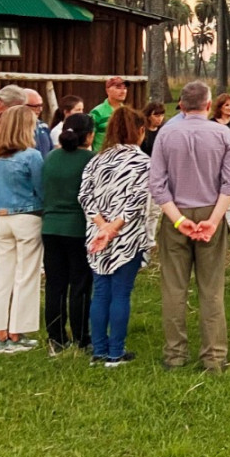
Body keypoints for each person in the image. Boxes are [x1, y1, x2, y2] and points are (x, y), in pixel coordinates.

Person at [147, 80, 230, 373]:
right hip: (212, 210)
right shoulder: (223, 133)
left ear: (182, 105)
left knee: (174, 288)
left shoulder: (166, 133)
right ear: (209, 105)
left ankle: (175, 355)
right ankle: (214, 357)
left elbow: (156, 185)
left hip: (177, 214)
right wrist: (213, 221)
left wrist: (178, 219)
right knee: (211, 289)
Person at [81, 106, 154, 368]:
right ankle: (115, 352)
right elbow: (136, 201)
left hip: (97, 235)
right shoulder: (144, 163)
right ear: (141, 131)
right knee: (121, 293)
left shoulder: (96, 160)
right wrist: (114, 227)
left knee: (101, 292)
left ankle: (99, 350)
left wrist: (102, 226)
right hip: (127, 236)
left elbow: (85, 197)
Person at [0, 105, 45, 354]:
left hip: (1, 219)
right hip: (28, 217)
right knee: (26, 276)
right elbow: (41, 190)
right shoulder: (31, 156)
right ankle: (17, 332)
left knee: (3, 276)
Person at [41, 112, 95, 356]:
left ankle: (56, 337)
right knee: (80, 285)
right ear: (90, 135)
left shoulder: (50, 158)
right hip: (77, 227)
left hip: (50, 227)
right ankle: (82, 337)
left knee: (55, 285)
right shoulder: (91, 160)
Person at [90, 75, 128, 152]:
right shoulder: (97, 112)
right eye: (118, 87)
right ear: (107, 90)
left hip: (122, 159)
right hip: (101, 158)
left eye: (125, 88)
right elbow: (88, 139)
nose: (123, 91)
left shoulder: (127, 112)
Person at [25, 89, 54, 157]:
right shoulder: (14, 129)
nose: (40, 109)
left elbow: (51, 151)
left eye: (41, 105)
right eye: (35, 106)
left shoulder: (43, 127)